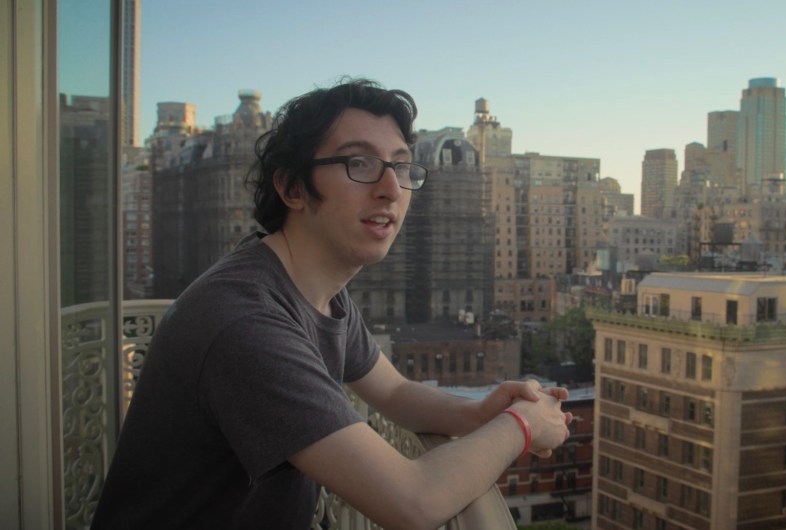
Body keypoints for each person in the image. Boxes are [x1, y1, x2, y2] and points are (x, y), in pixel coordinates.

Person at [91, 78, 572, 529]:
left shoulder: (315, 288)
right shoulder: (244, 323)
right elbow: (413, 500)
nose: (390, 189)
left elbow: (397, 394)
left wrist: (481, 412)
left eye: (401, 166)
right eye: (358, 164)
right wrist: (522, 425)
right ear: (292, 187)